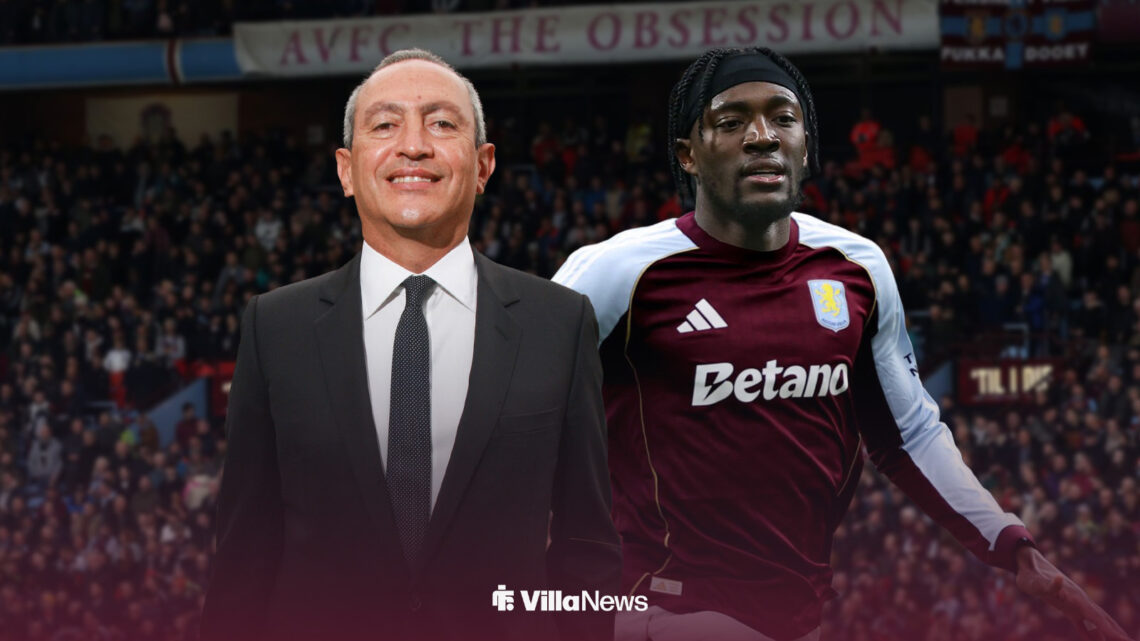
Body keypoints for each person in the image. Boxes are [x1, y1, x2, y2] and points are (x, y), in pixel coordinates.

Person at [554, 47, 1132, 641]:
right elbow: (507, 412)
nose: (761, 136)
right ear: (688, 155)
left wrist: (1012, 547)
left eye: (783, 117)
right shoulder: (616, 273)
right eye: (731, 122)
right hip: (659, 606)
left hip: (798, 614)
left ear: (807, 144)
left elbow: (908, 434)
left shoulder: (856, 267)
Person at [201, 49, 621, 641]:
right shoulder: (275, 326)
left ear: (482, 165)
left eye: (442, 123)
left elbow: (587, 543)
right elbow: (244, 550)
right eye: (385, 124)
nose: (414, 146)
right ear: (346, 170)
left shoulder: (559, 322)